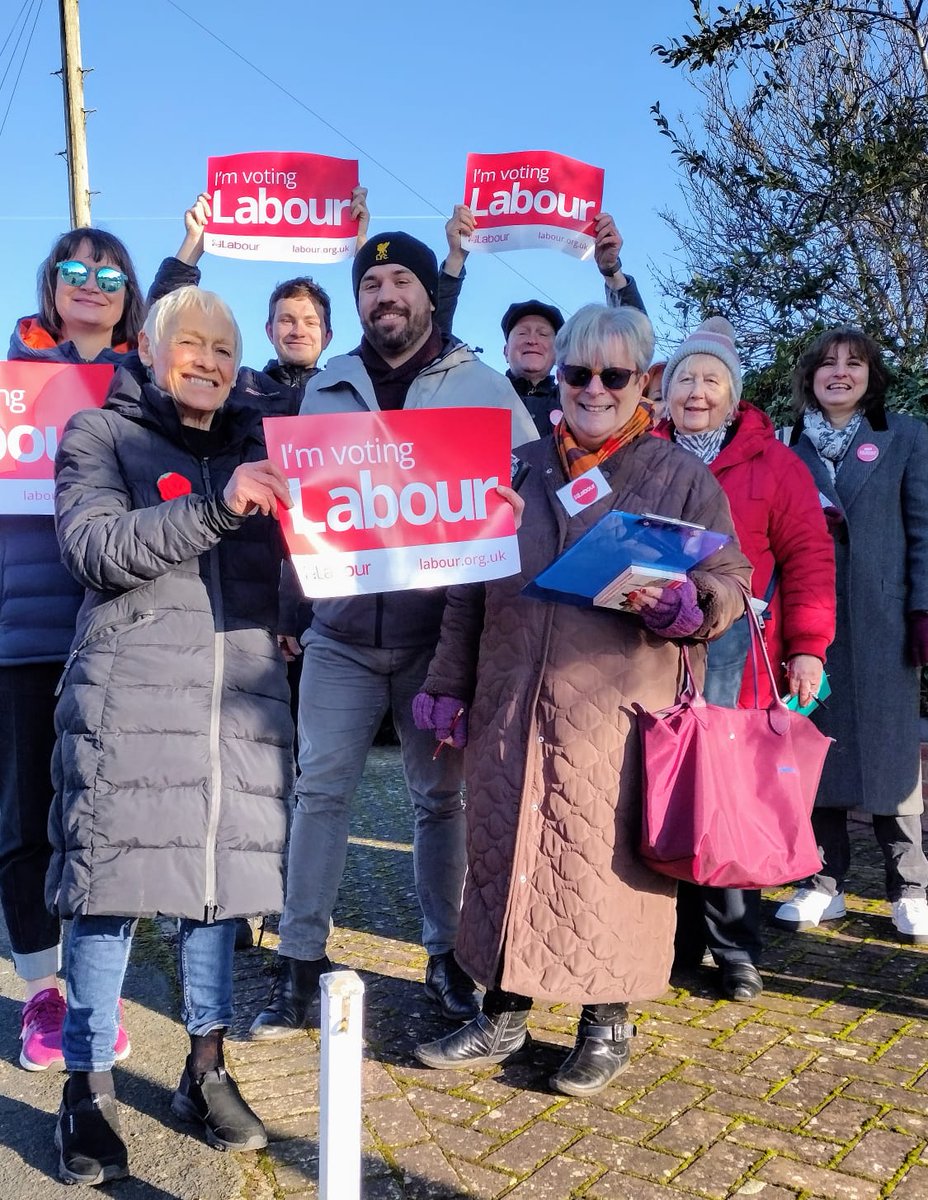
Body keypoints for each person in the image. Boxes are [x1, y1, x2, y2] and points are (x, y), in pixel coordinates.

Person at [410, 304, 751, 1096]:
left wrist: (694, 605)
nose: (594, 389)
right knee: (506, 852)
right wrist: (444, 683)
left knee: (607, 863)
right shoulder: (520, 470)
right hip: (510, 704)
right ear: (557, 375)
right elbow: (470, 587)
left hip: (618, 714)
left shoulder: (679, 477)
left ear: (644, 381)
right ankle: (502, 1010)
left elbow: (732, 578)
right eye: (577, 372)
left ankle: (607, 1018)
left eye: (614, 374)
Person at [249, 231, 538, 1039]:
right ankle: (299, 961)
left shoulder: (480, 382)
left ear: (426, 294)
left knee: (437, 803)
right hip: (340, 634)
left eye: (400, 279)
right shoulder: (329, 385)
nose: (385, 295)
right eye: (371, 283)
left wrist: (515, 508)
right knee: (320, 794)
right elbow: (307, 510)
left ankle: (446, 957)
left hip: (436, 639)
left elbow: (534, 480)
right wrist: (292, 611)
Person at [48, 286, 295, 1184]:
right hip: (131, 701)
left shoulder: (266, 447)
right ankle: (89, 1087)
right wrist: (221, 507)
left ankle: (206, 1069)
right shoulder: (100, 437)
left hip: (239, 702)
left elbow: (315, 559)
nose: (211, 361)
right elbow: (93, 547)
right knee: (108, 893)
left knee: (216, 892)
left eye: (226, 350)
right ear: (148, 352)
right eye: (190, 344)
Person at [656, 317, 836, 1000]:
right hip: (658, 652)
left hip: (745, 657)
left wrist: (809, 650)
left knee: (731, 801)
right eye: (684, 379)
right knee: (668, 795)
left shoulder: (776, 465)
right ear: (665, 390)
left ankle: (735, 952)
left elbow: (810, 560)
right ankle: (671, 943)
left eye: (710, 380)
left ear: (734, 396)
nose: (696, 392)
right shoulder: (642, 452)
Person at [2, 228, 144, 1073]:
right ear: (51, 286)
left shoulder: (145, 386)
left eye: (108, 274)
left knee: (104, 822)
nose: (91, 285)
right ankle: (40, 993)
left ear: (129, 294)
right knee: (23, 820)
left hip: (115, 632)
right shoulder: (8, 378)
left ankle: (100, 985)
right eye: (74, 272)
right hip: (20, 634)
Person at [773, 327, 928, 944]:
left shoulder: (906, 436)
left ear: (871, 375)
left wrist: (923, 610)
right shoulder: (785, 445)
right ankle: (821, 881)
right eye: (827, 364)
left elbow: (923, 530)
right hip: (808, 622)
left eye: (853, 364)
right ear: (809, 376)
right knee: (817, 752)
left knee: (891, 756)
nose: (840, 373)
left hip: (883, 619)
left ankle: (909, 886)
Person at [436, 208, 647, 437]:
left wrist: (612, 271)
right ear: (506, 351)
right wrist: (456, 258)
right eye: (523, 333)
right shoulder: (479, 395)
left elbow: (635, 344)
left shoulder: (582, 403)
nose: (532, 340)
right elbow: (434, 346)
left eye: (544, 334)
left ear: (559, 355)